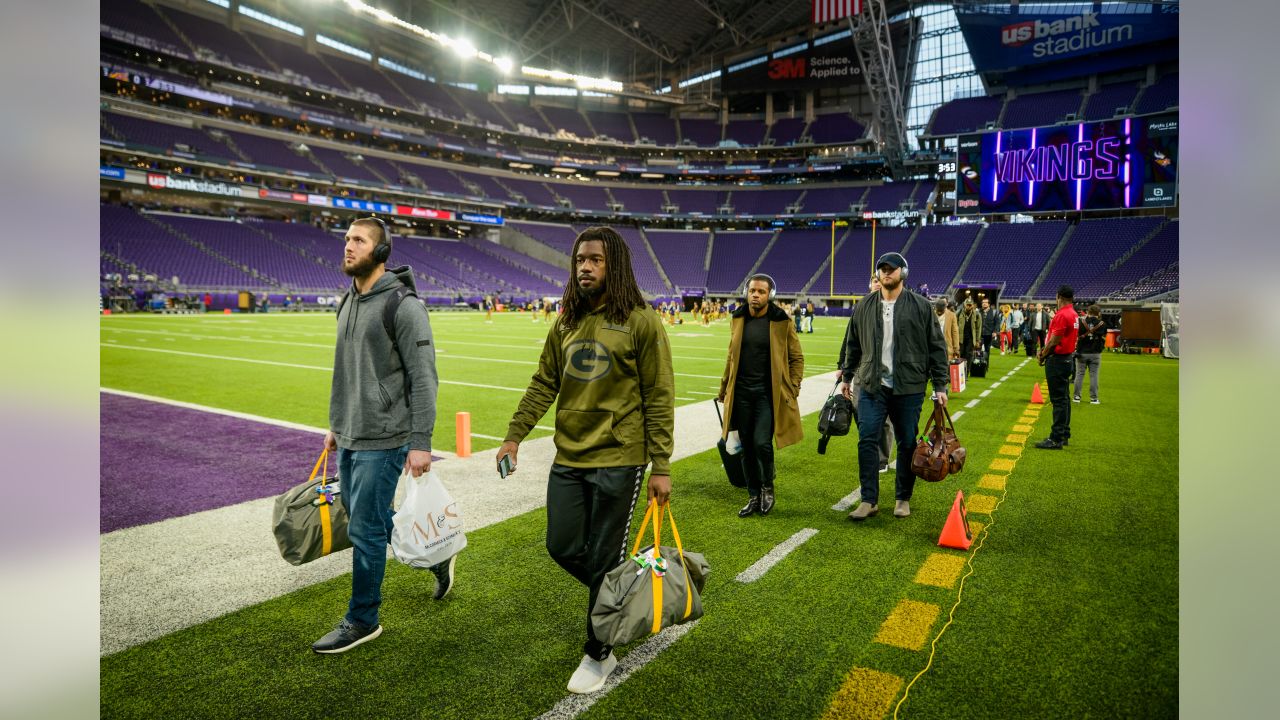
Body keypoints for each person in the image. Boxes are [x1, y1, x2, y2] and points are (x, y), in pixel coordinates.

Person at [496, 226, 674, 695]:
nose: (585, 267)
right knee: (562, 544)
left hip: (622, 456)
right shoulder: (565, 322)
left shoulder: (642, 320)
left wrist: (662, 465)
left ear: (614, 264)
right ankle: (625, 592)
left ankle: (598, 652)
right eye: (579, 260)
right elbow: (543, 383)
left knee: (602, 557)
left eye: (595, 259)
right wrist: (515, 436)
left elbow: (659, 396)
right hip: (570, 456)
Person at [313, 217, 443, 654]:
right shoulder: (346, 302)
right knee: (368, 519)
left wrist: (421, 441)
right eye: (347, 239)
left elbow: (424, 379)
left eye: (359, 240)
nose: (348, 246)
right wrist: (337, 423)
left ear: (382, 252)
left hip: (387, 437)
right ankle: (438, 557)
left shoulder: (404, 306)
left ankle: (363, 618)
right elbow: (346, 373)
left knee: (366, 529)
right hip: (351, 432)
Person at [841, 252, 950, 520]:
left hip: (909, 385)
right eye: (882, 269)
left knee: (906, 443)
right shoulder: (864, 305)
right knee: (867, 440)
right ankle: (869, 500)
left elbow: (937, 348)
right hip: (870, 384)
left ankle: (903, 498)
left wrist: (940, 385)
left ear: (904, 272)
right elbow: (853, 344)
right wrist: (846, 377)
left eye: (892, 268)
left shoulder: (922, 306)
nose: (886, 272)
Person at [718, 273, 805, 518]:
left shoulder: (781, 321)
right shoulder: (738, 318)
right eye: (752, 290)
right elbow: (731, 356)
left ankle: (768, 486)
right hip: (741, 394)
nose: (755, 295)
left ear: (770, 296)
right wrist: (724, 387)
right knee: (745, 446)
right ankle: (754, 496)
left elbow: (796, 357)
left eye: (761, 292)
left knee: (762, 444)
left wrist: (794, 387)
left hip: (768, 395)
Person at [838, 275, 894, 473]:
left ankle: (882, 458)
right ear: (870, 285)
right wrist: (842, 367)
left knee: (885, 419)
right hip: (862, 369)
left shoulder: (892, 306)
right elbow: (849, 339)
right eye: (874, 281)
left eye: (880, 280)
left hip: (884, 371)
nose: (877, 283)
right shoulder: (862, 306)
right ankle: (870, 452)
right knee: (860, 412)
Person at [1035, 286, 1080, 449]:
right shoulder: (1073, 313)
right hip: (1067, 359)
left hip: (1058, 360)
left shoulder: (1062, 315)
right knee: (1064, 399)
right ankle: (1064, 434)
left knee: (1059, 401)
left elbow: (1054, 340)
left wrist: (1043, 355)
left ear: (1058, 296)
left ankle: (1056, 438)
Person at [1074, 304, 1106, 404]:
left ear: (1088, 312)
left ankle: (1076, 397)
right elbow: (1103, 337)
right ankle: (1094, 398)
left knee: (1079, 374)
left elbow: (1077, 335)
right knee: (1094, 376)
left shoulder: (1081, 322)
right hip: (1095, 353)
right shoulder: (1102, 324)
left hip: (1082, 352)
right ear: (1099, 313)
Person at [959, 298, 982, 375]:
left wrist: (978, 340)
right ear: (964, 305)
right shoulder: (958, 313)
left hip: (971, 339)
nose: (969, 306)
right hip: (960, 339)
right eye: (967, 305)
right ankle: (960, 373)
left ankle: (966, 373)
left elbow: (978, 328)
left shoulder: (977, 315)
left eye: (970, 305)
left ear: (973, 305)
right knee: (960, 355)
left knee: (968, 356)